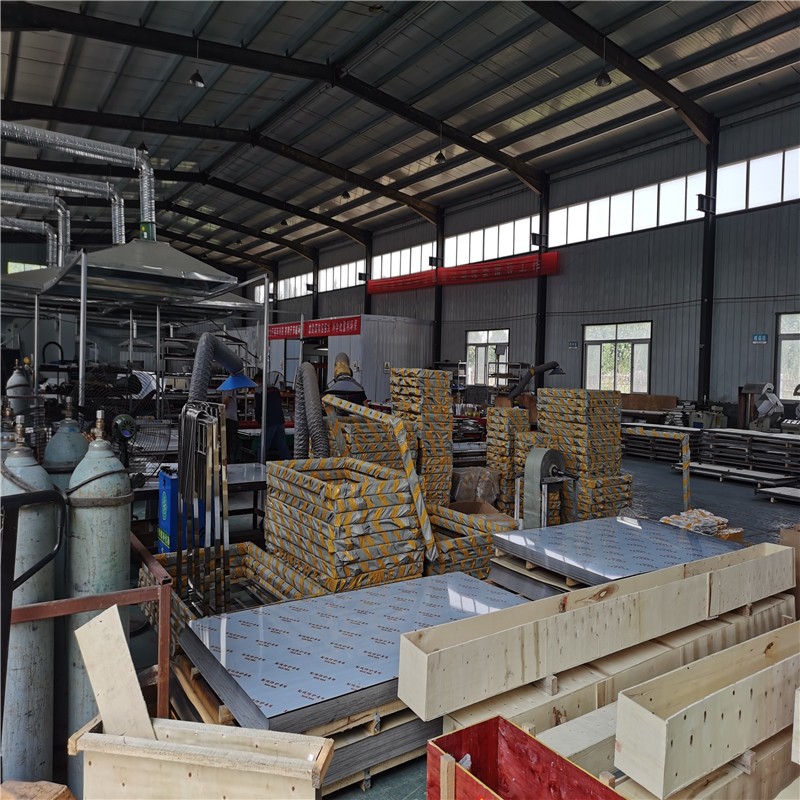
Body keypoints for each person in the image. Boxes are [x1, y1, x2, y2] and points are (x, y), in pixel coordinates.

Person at [254, 370, 291, 460]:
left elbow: (258, 408)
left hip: (269, 421)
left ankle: (259, 464)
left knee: (263, 446)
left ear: (257, 382)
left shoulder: (259, 391)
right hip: (280, 420)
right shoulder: (275, 390)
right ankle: (289, 463)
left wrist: (259, 421)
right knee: (282, 445)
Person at [221, 386, 240, 463]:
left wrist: (221, 410)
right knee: (231, 442)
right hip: (231, 417)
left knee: (229, 442)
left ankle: (230, 461)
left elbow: (226, 400)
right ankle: (231, 461)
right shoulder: (229, 386)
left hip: (228, 417)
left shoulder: (229, 386)